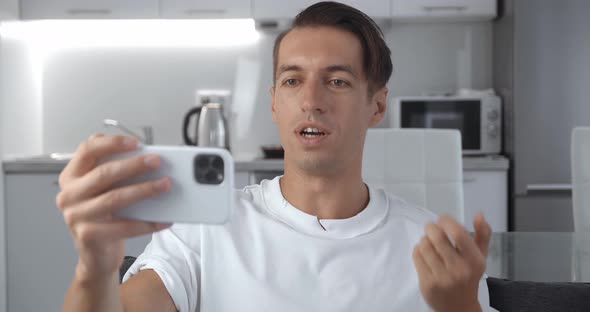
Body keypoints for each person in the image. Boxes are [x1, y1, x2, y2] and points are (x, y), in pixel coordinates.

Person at [58, 2, 492, 311]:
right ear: (273, 103)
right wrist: (93, 269)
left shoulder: (435, 252)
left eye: (336, 82)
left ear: (376, 106)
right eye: (292, 81)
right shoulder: (204, 231)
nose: (310, 101)